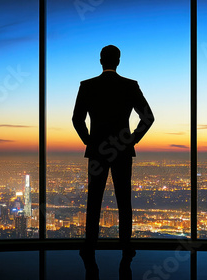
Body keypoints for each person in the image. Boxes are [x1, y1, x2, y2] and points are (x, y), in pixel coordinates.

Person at [72, 45, 155, 271]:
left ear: (101, 61)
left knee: (94, 200)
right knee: (123, 199)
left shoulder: (87, 86)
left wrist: (89, 141)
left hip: (98, 150)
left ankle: (90, 246)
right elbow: (148, 117)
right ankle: (126, 246)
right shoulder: (129, 86)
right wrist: (132, 140)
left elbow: (77, 119)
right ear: (118, 61)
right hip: (122, 150)